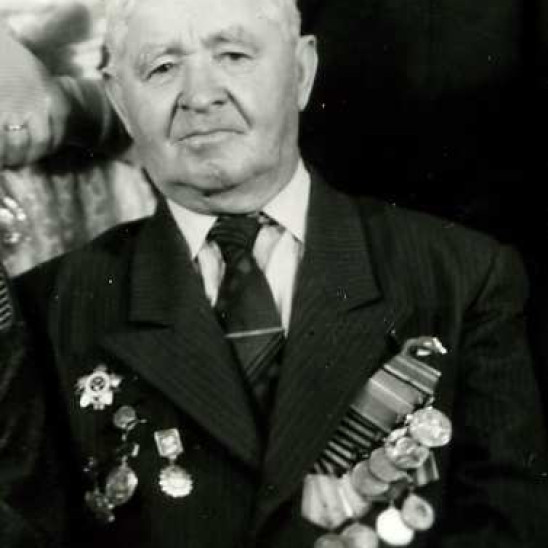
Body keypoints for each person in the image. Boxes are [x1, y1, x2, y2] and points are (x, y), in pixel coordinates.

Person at [1, 0, 547, 547]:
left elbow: (506, 528)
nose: (200, 96)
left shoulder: (461, 278)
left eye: (233, 55)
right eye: (162, 67)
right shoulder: (48, 309)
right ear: (120, 100)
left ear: (302, 71)